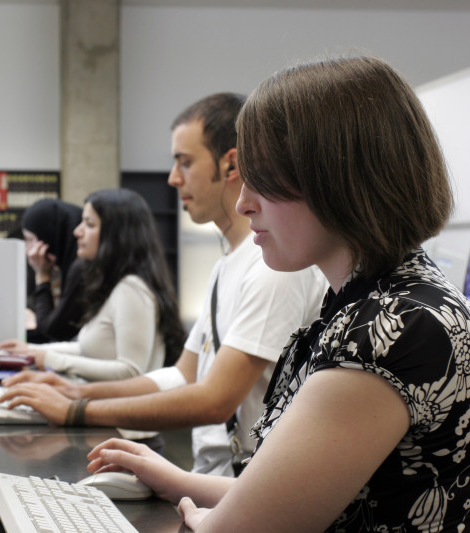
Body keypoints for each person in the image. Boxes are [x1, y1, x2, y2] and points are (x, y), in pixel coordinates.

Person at [88, 55, 470, 532]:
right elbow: (293, 492)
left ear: (336, 179)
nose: (245, 203)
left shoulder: (387, 330)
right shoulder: (384, 302)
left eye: (264, 181)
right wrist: (172, 479)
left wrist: (198, 517)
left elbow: (243, 527)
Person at [0, 93, 326, 476]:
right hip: (219, 473)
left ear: (231, 164)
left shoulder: (271, 265)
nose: (173, 178)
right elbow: (182, 375)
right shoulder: (227, 266)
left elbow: (214, 400)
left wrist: (77, 410)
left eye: (185, 163)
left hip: (247, 477)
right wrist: (78, 390)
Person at [0, 188, 186, 382]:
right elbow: (86, 348)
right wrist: (31, 350)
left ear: (115, 234)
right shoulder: (113, 283)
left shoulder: (132, 289)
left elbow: (131, 370)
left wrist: (49, 358)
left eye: (89, 224)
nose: (77, 231)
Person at [20, 198, 86, 343]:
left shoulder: (82, 268)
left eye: (31, 240)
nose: (29, 250)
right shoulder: (69, 263)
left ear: (49, 236)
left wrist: (41, 275)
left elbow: (52, 331)